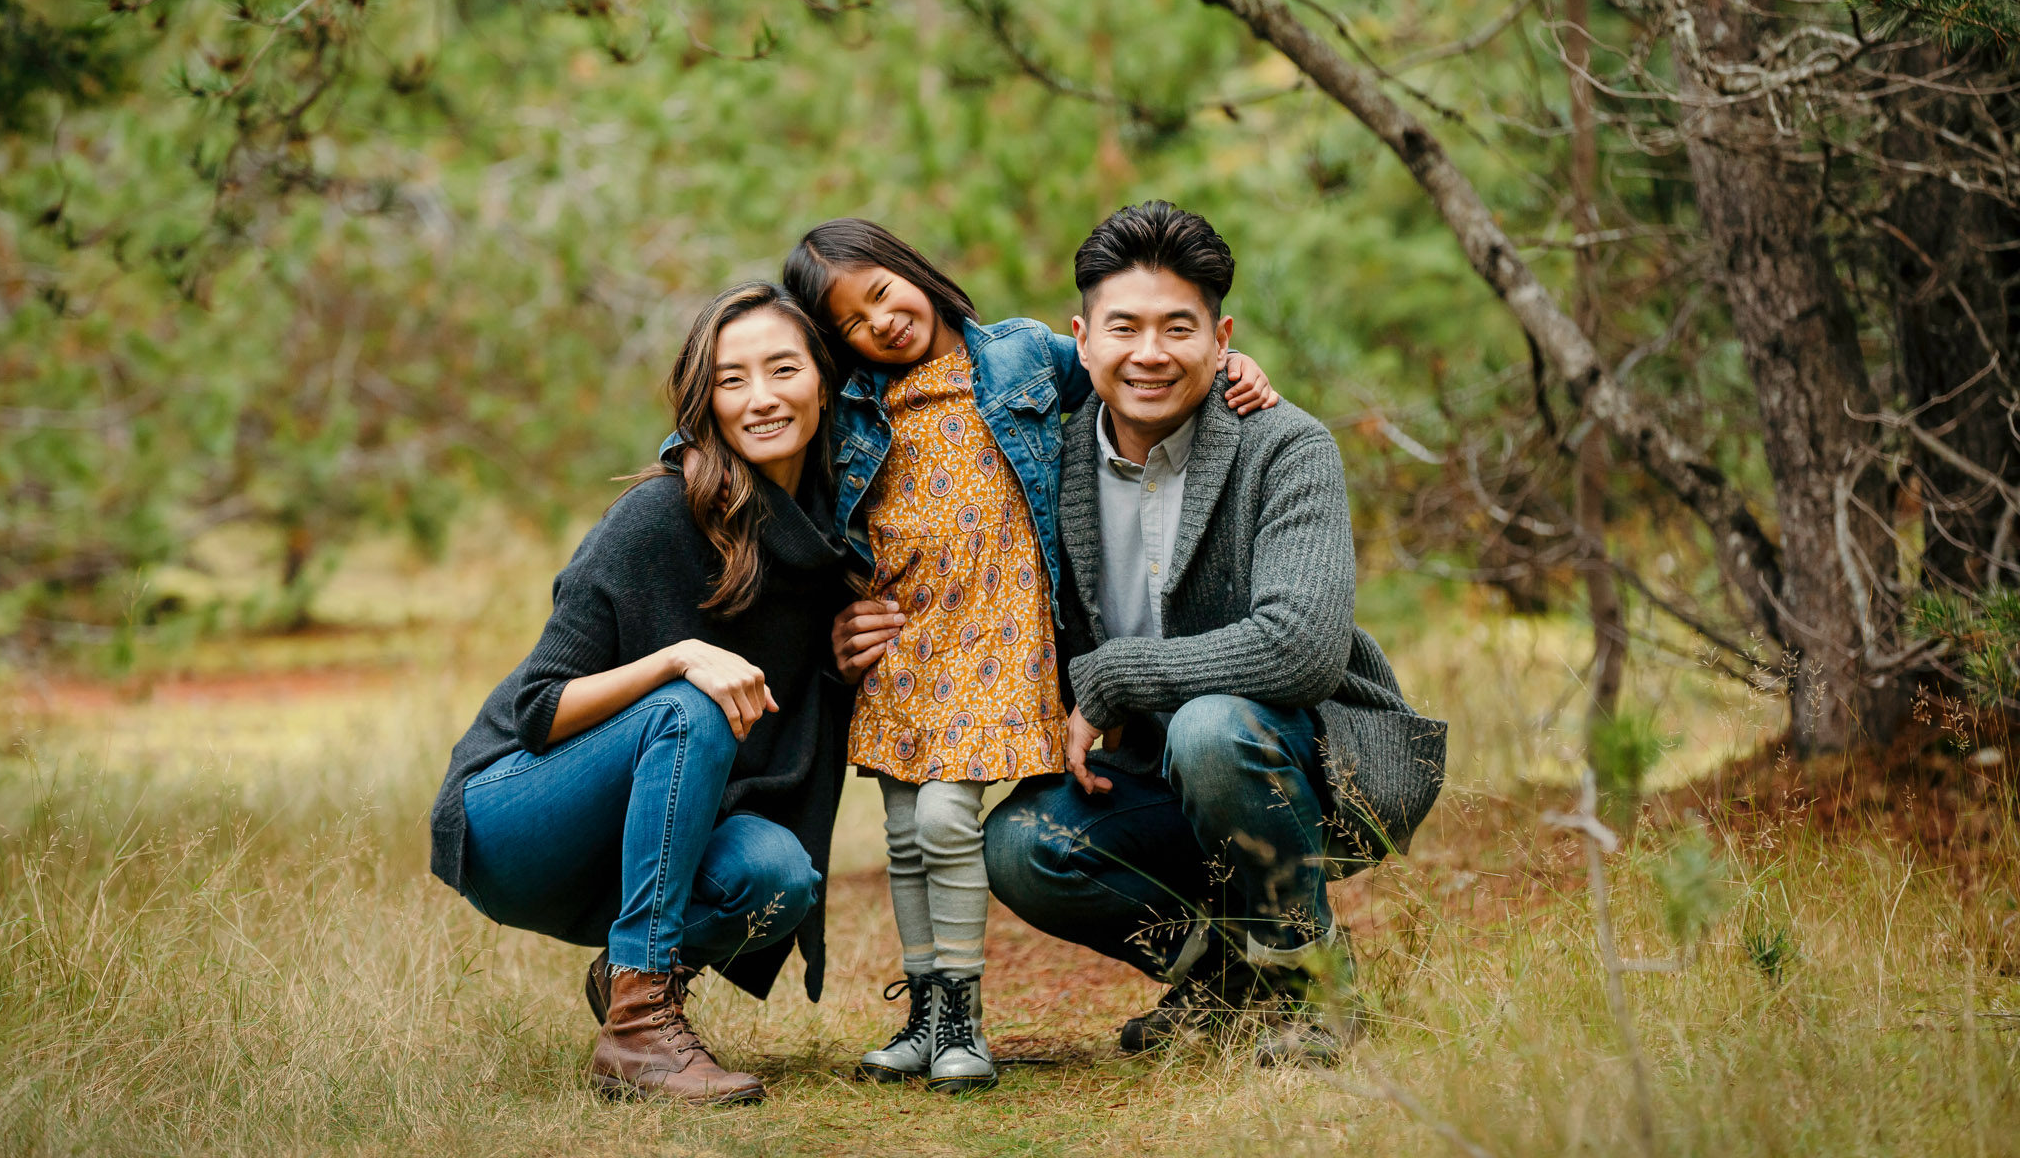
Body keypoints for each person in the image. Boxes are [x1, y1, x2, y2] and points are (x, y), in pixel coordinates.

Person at [836, 202, 1447, 1068]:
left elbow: (1303, 647)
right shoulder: (1042, 450)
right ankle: (1230, 984)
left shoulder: (1285, 446)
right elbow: (948, 546)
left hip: (1305, 758)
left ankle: (1308, 985)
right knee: (1020, 847)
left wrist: (1114, 678)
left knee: (1211, 728)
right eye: (1124, 327)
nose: (1150, 353)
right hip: (1140, 774)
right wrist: (852, 613)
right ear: (1082, 340)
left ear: (1222, 336)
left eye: (1178, 328)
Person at [786, 219, 1281, 1092]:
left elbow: (1130, 360)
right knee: (905, 835)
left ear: (914, 271)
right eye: (853, 322)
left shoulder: (1019, 356)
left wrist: (1236, 369)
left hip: (1001, 636)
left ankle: (967, 1016)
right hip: (910, 640)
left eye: (883, 292)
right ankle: (926, 1013)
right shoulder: (856, 405)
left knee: (947, 822)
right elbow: (770, 445)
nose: (883, 322)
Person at [429, 282, 852, 1106]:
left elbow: (792, 713)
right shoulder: (658, 515)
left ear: (824, 382)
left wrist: (841, 659)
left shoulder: (829, 542)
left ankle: (631, 977)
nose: (760, 398)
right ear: (706, 402)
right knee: (687, 700)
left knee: (780, 878)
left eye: (782, 369)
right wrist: (675, 658)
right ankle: (639, 1032)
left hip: (658, 827)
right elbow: (540, 709)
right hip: (515, 814)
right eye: (732, 380)